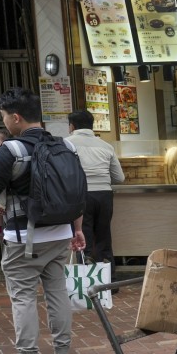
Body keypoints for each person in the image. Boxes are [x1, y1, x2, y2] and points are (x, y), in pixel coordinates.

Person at [0, 88, 86, 354]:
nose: (5, 122)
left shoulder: (11, 150)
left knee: (24, 298)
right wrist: (77, 229)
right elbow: (78, 192)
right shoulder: (66, 147)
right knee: (57, 294)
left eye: (5, 117)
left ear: (16, 117)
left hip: (22, 241)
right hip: (59, 236)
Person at [65, 110, 124, 266]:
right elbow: (119, 177)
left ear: (71, 126)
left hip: (80, 195)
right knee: (104, 237)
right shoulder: (106, 146)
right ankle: (109, 282)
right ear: (92, 126)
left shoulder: (65, 144)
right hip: (105, 195)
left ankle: (88, 283)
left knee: (84, 239)